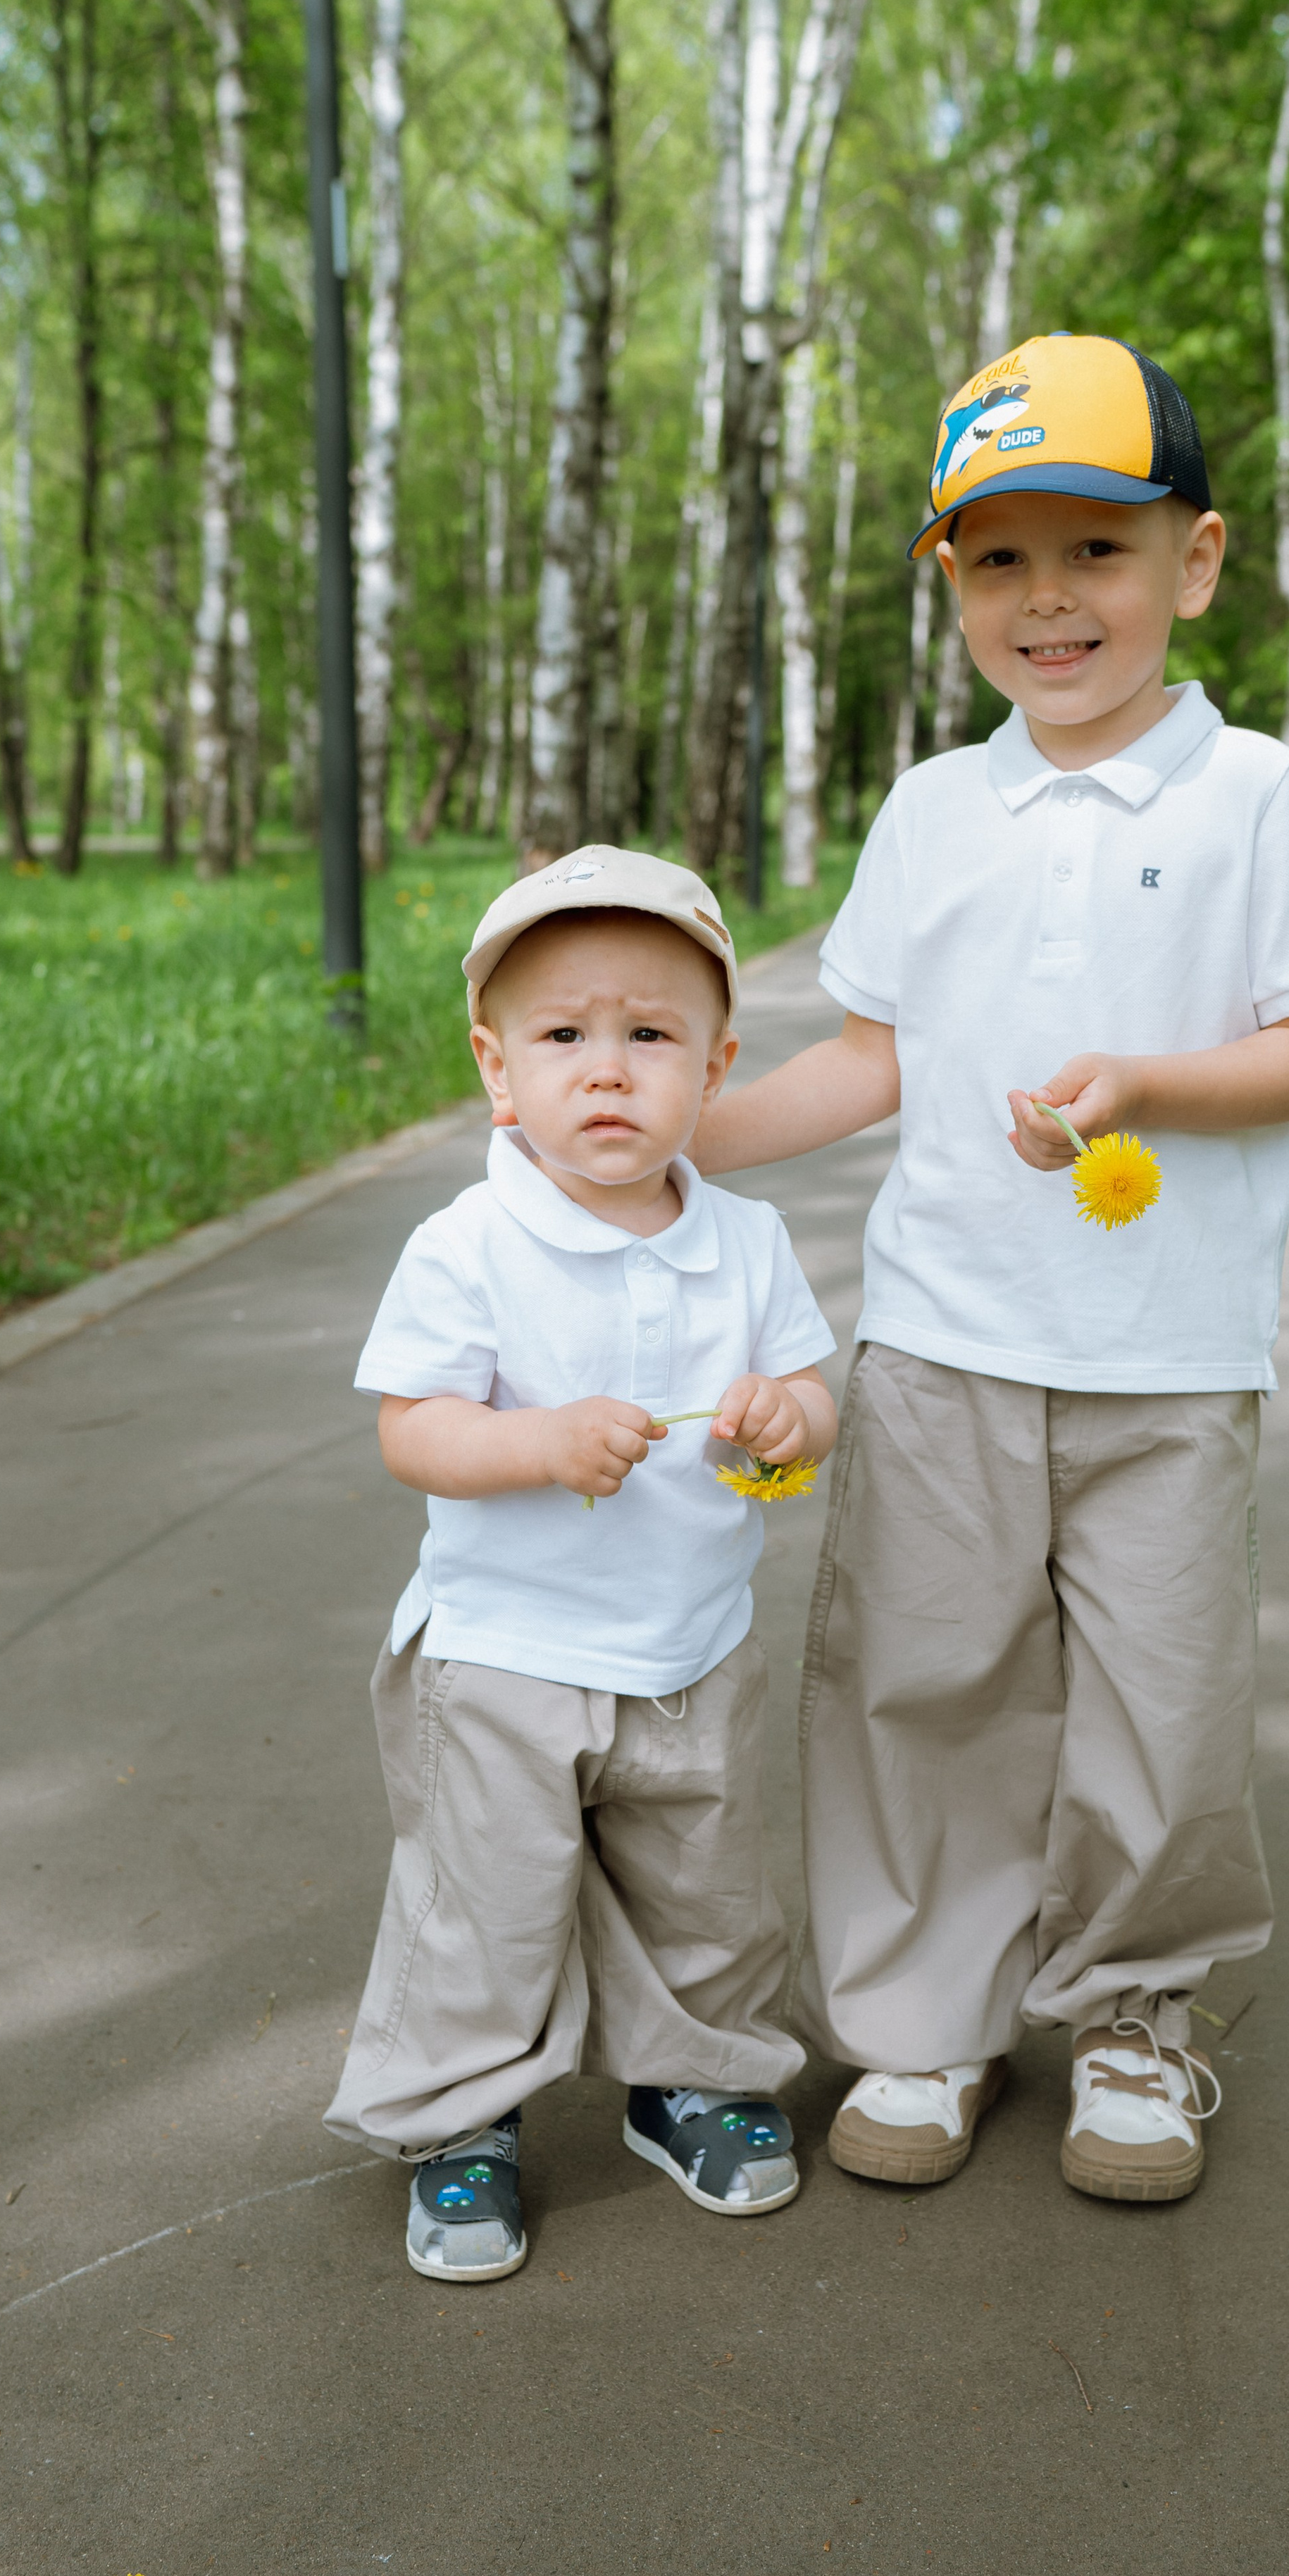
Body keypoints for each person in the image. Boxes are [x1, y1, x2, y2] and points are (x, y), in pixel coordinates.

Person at [690, 332, 1289, 2203]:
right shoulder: (936, 810)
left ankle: (1142, 2018)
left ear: (1200, 559)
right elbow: (871, 1056)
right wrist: (694, 1128)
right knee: (925, 1682)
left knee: (1164, 1699)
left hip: (1172, 1359)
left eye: (1097, 548)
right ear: (952, 587)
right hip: (942, 1349)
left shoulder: (1261, 795)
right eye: (1001, 560)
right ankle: (925, 2021)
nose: (1050, 600)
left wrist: (1154, 1077)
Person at [325, 849, 838, 2281]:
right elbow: (414, 1430)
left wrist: (775, 1427)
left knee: (707, 1892)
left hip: (688, 1644)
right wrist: (537, 1442)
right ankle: (460, 2121)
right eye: (562, 1037)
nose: (605, 1072)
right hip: (504, 1653)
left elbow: (805, 1413)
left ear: (715, 1069)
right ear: (497, 1071)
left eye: (648, 1035)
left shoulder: (746, 1240)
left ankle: (693, 2083)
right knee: (482, 1907)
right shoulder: (471, 1244)